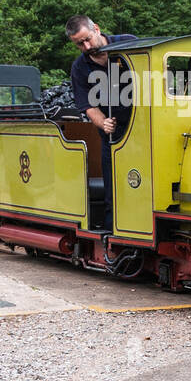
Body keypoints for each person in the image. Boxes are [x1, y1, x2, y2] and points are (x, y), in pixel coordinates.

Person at [66, 16, 137, 231]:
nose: (86, 47)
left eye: (87, 39)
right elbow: (86, 105)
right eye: (79, 44)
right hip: (114, 135)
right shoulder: (79, 67)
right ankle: (112, 235)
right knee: (112, 191)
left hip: (144, 129)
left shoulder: (129, 43)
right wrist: (103, 123)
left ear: (96, 29)